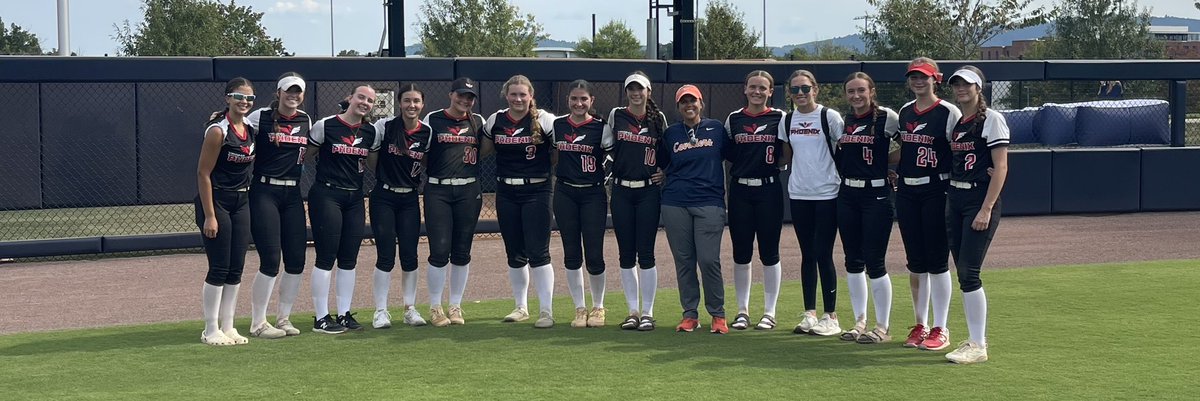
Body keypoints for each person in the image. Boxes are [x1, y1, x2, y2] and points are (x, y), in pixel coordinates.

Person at [893, 58, 961, 351]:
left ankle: (940, 326)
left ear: (936, 79)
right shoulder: (905, 112)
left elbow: (961, 149)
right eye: (914, 77)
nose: (919, 82)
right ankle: (920, 324)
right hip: (908, 191)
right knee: (915, 262)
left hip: (937, 189)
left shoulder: (948, 112)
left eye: (924, 77)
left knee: (937, 262)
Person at [943, 66, 1009, 364]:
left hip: (977, 200)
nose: (961, 89)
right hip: (955, 197)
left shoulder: (991, 119)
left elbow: (1001, 167)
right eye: (957, 85)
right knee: (963, 271)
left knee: (970, 272)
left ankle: (978, 344)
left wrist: (986, 207)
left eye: (967, 85)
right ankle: (973, 338)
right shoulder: (959, 121)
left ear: (978, 88)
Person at [483, 75, 559, 328]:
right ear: (506, 95)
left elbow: (559, 152)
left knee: (539, 252)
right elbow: (484, 148)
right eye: (513, 94)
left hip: (537, 191)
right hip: (506, 191)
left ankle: (546, 311)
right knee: (514, 252)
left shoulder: (544, 119)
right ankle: (521, 306)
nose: (518, 99)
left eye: (522, 95)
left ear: (531, 96)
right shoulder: (496, 119)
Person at [306, 85, 382, 334]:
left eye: (370, 100)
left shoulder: (371, 132)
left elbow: (373, 164)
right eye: (361, 97)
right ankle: (320, 317)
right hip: (327, 194)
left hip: (355, 198)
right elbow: (304, 155)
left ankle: (344, 313)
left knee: (349, 258)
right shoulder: (325, 125)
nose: (364, 103)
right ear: (350, 98)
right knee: (326, 257)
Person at [241, 73, 312, 340]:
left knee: (296, 259)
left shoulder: (306, 119)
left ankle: (283, 318)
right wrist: (218, 118)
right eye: (288, 91)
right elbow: (235, 125)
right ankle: (258, 322)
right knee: (270, 259)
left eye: (298, 92)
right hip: (264, 191)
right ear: (278, 93)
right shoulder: (261, 117)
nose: (293, 96)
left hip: (292, 194)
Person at [659, 85, 730, 334]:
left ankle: (718, 314)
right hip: (675, 202)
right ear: (678, 107)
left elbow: (732, 155)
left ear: (701, 104)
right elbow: (662, 162)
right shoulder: (671, 133)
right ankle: (690, 314)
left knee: (709, 260)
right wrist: (660, 174)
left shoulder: (717, 128)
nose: (689, 105)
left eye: (693, 101)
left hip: (709, 201)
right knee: (684, 261)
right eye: (683, 102)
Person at [779, 70, 845, 337]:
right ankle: (810, 313)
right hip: (799, 193)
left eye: (805, 89)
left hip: (827, 193)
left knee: (823, 253)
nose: (800, 95)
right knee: (807, 254)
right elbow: (786, 155)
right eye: (795, 90)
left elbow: (846, 148)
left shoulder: (829, 116)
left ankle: (831, 315)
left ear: (815, 89)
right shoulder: (788, 119)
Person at [835, 72, 899, 344]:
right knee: (852, 260)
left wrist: (888, 168)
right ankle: (859, 321)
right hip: (848, 192)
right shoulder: (843, 120)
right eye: (851, 91)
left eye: (861, 90)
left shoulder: (887, 117)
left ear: (872, 91)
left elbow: (905, 148)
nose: (856, 96)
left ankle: (882, 326)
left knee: (875, 261)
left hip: (876, 194)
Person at [602, 71, 668, 331]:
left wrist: (665, 171)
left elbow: (665, 152)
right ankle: (632, 311)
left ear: (648, 92)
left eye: (640, 88)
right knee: (626, 253)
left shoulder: (657, 119)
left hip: (648, 191)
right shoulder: (617, 114)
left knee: (647, 253)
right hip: (621, 190)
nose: (635, 93)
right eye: (631, 88)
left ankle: (648, 312)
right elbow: (607, 146)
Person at [723, 70, 787, 331]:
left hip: (769, 190)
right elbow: (727, 151)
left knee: (769, 253)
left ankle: (769, 312)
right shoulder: (734, 118)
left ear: (771, 91)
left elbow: (786, 152)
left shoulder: (779, 117)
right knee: (741, 253)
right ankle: (742, 310)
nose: (757, 92)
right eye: (753, 87)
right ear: (745, 89)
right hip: (740, 191)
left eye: (763, 88)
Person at [421, 77, 487, 327]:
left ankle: (455, 305)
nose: (465, 100)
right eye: (460, 95)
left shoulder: (477, 121)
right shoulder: (433, 119)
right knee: (439, 250)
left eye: (469, 97)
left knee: (462, 251)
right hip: (438, 189)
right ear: (450, 95)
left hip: (468, 190)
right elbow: (424, 153)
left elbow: (485, 149)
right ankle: (436, 306)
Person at [196, 78, 257, 346]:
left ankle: (229, 326)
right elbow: (203, 173)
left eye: (249, 98)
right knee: (219, 266)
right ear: (227, 98)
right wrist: (210, 215)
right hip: (217, 200)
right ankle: (210, 329)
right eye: (238, 97)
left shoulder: (251, 129)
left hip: (241, 201)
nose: (244, 102)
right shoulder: (218, 131)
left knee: (236, 267)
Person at [368, 83, 433, 328]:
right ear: (399, 103)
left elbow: (426, 161)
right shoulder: (384, 126)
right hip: (383, 196)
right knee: (385, 255)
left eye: (416, 101)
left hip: (409, 199)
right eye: (407, 100)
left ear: (422, 104)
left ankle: (410, 308)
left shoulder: (426, 132)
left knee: (410, 255)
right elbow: (373, 159)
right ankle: (381, 310)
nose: (411, 105)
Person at [550, 80, 610, 328]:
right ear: (568, 101)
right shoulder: (558, 125)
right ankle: (579, 307)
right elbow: (552, 154)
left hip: (593, 194)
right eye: (574, 98)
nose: (578, 103)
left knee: (594, 253)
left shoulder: (601, 127)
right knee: (571, 253)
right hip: (565, 193)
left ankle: (598, 306)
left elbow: (614, 158)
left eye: (583, 99)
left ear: (591, 101)